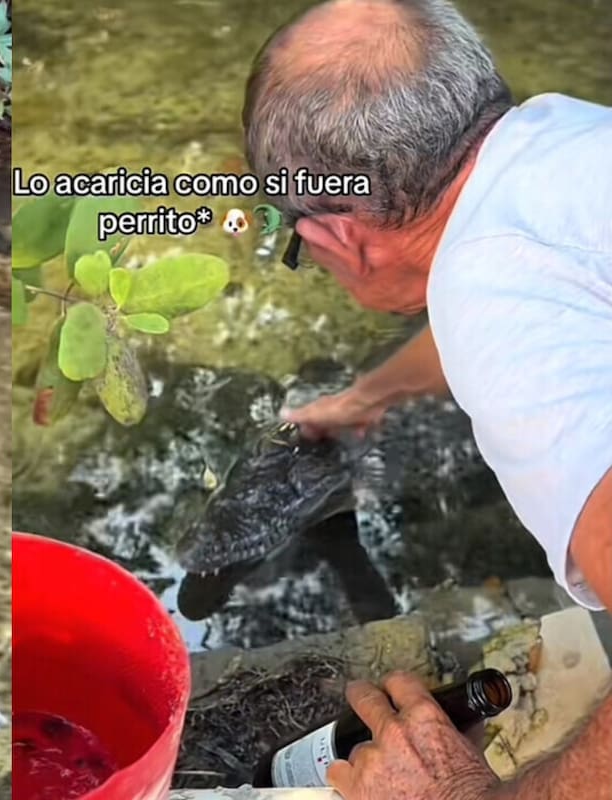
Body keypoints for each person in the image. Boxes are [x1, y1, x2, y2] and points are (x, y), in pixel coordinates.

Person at [241, 0, 612, 798]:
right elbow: (539, 297)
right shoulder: (565, 141)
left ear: (334, 235)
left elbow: (508, 314)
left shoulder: (496, 305)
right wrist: (370, 395)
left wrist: (470, 795)